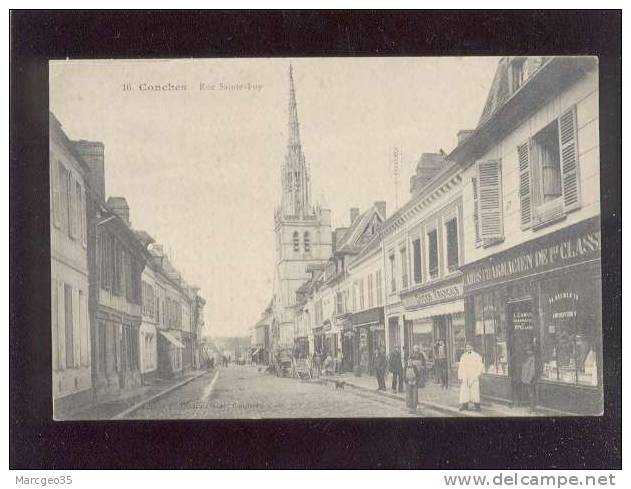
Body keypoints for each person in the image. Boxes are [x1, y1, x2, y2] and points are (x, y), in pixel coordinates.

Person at [458, 343, 484, 411]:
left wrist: (477, 374)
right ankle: (464, 405)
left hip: (473, 375)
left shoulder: (477, 356)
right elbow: (461, 366)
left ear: (472, 347)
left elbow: (480, 366)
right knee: (465, 391)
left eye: (469, 347)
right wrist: (461, 376)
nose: (468, 348)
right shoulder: (463, 356)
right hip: (465, 375)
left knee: (474, 392)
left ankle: (477, 406)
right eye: (467, 347)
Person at [521, 348, 537, 413]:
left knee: (531, 393)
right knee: (529, 393)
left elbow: (532, 370)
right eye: (527, 350)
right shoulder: (528, 359)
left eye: (529, 350)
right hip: (526, 379)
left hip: (530, 380)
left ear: (531, 351)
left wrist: (529, 380)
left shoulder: (532, 359)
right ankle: (530, 407)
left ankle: (532, 408)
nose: (527, 351)